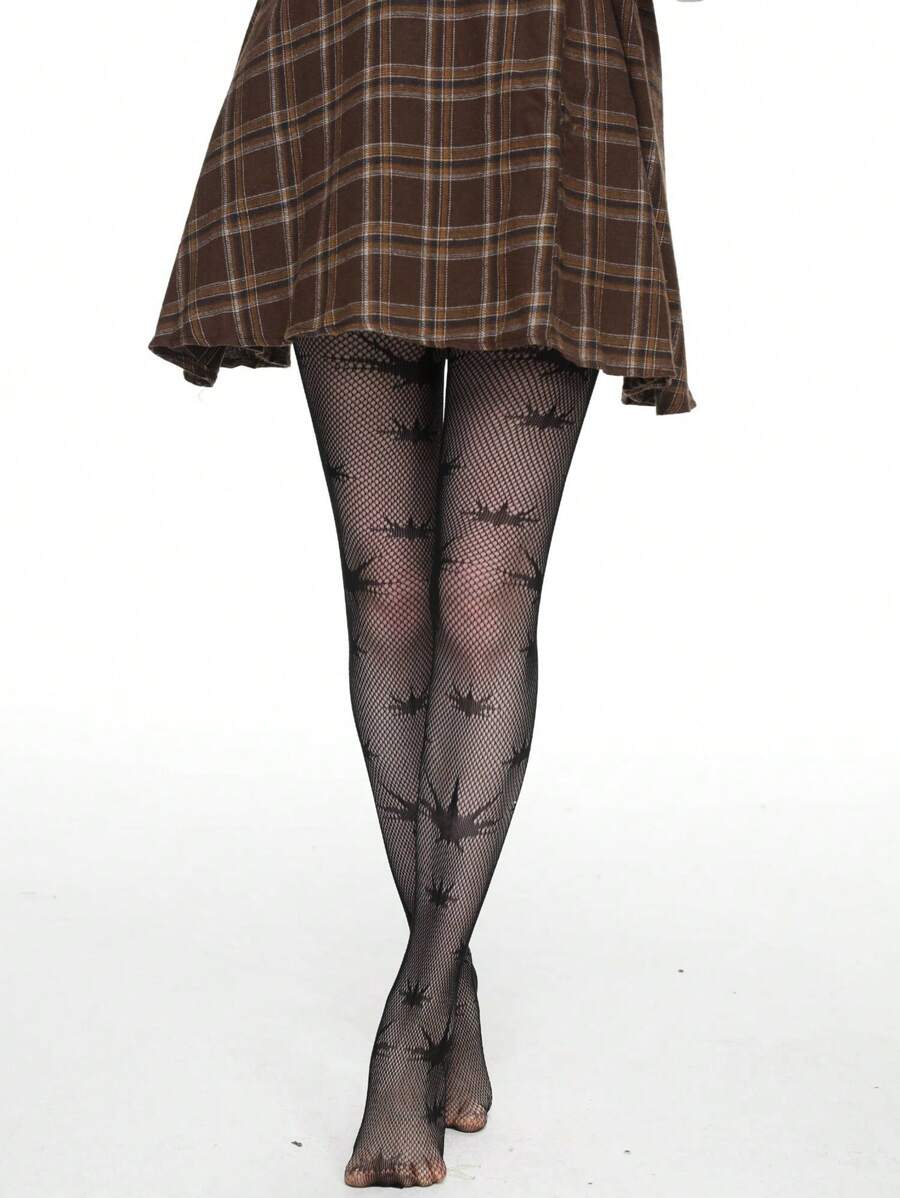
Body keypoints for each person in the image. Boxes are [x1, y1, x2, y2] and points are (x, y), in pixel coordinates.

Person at [149, 0, 697, 1186]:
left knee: (482, 598)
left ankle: (410, 1020)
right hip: (355, 64)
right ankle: (451, 974)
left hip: (544, 67)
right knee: (387, 595)